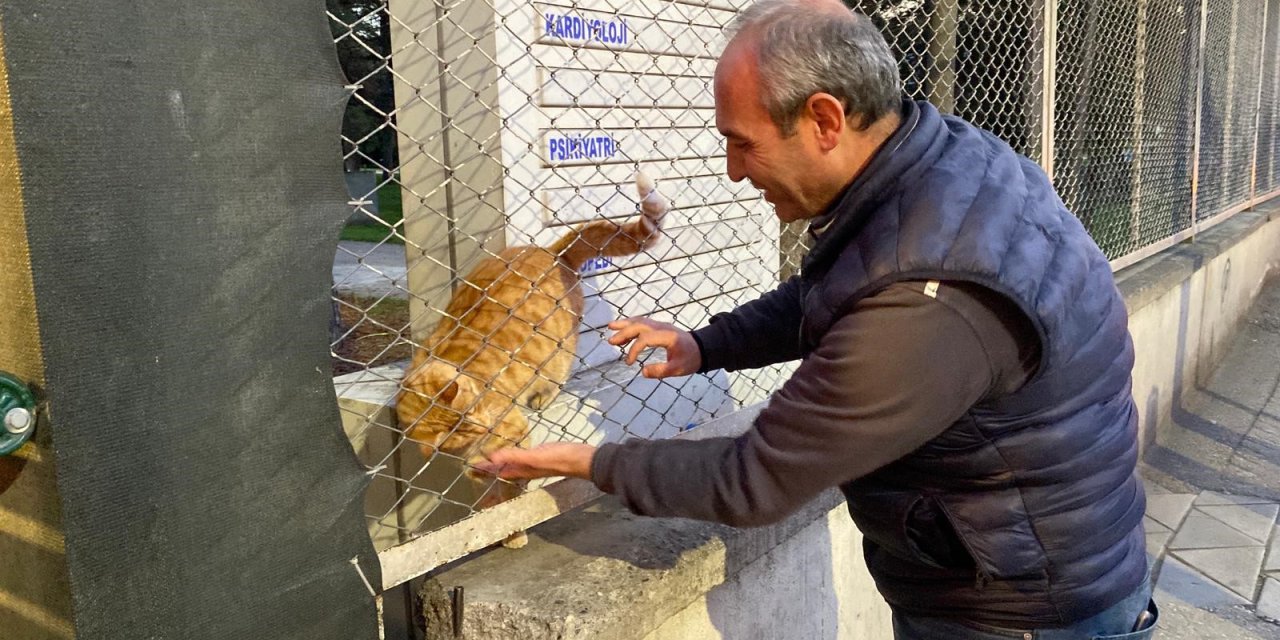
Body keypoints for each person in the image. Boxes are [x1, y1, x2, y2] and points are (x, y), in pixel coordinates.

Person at [478, 0, 1157, 637]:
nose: (733, 171)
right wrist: (705, 345)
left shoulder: (933, 298)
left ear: (826, 121)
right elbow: (835, 291)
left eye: (743, 143)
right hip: (1027, 560)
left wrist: (590, 462)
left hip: (1019, 611)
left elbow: (754, 481)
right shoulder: (942, 166)